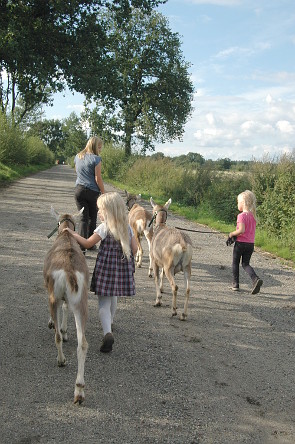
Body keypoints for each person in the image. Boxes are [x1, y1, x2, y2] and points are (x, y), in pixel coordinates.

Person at [64, 192, 137, 353]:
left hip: (106, 270)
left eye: (100, 210)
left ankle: (107, 332)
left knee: (103, 303)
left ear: (109, 211)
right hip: (121, 270)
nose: (98, 213)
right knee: (114, 296)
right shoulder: (128, 228)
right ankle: (110, 322)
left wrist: (73, 234)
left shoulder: (104, 228)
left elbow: (88, 243)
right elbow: (135, 249)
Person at [228, 190, 263, 294]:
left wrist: (231, 234)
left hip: (240, 244)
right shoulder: (253, 216)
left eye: (238, 202)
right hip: (250, 245)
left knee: (235, 263)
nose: (237, 204)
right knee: (245, 264)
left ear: (243, 203)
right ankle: (255, 279)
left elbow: (241, 231)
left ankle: (235, 284)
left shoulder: (241, 216)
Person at [74, 136, 105, 251]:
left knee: (83, 218)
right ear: (95, 146)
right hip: (92, 192)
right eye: (100, 147)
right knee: (92, 217)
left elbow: (77, 172)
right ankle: (90, 244)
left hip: (79, 190)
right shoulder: (96, 159)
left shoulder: (78, 156)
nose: (100, 149)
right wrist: (103, 192)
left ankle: (81, 246)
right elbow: (98, 179)